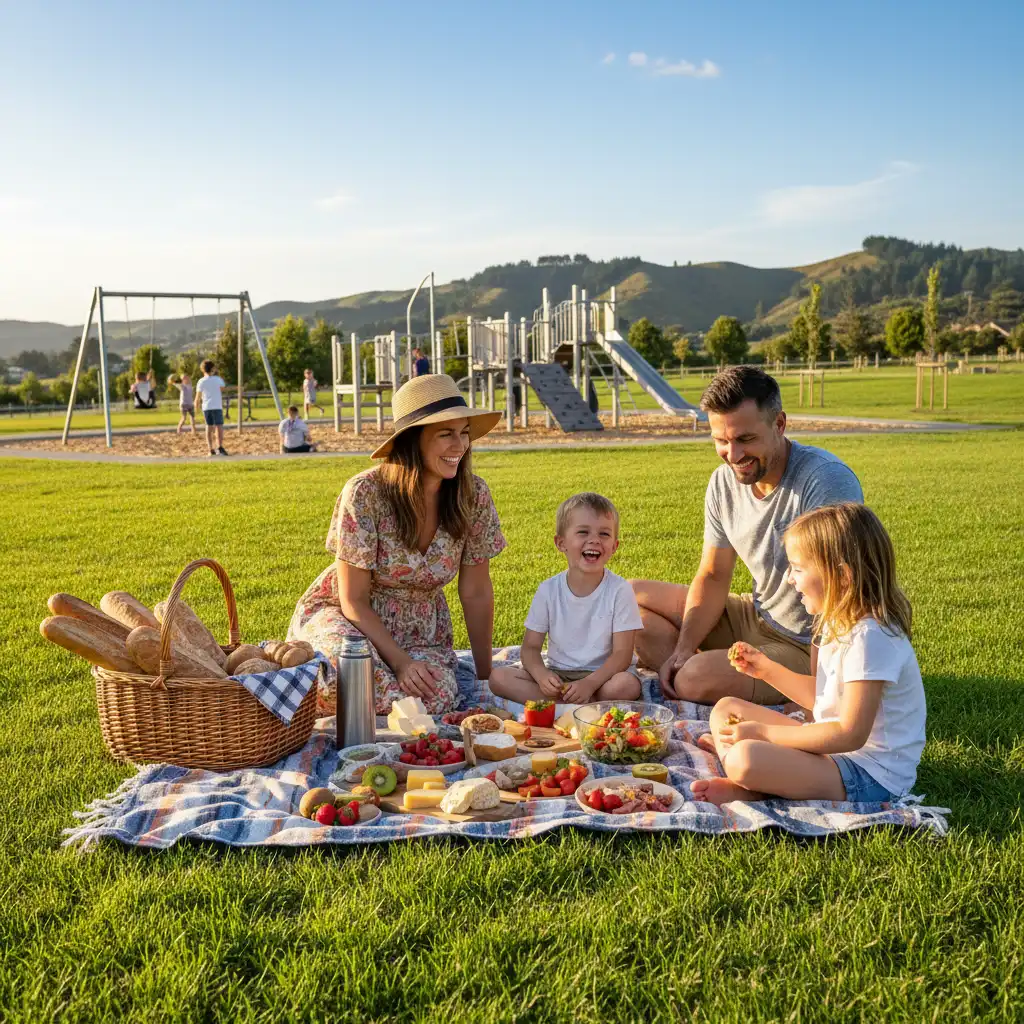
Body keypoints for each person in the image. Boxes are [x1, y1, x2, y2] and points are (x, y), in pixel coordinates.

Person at [632, 366, 863, 707]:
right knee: (625, 600)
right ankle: (694, 666)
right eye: (721, 441)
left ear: (779, 425)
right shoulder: (723, 483)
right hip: (753, 614)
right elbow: (713, 574)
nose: (733, 455)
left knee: (695, 678)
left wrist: (816, 696)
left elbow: (836, 597)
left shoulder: (826, 482)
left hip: (802, 643)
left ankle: (710, 674)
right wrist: (681, 650)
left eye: (745, 439)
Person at [289, 373, 506, 715]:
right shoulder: (364, 494)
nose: (460, 446)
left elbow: (476, 591)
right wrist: (401, 664)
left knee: (434, 697)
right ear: (411, 440)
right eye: (445, 434)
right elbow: (353, 599)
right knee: (349, 678)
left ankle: (374, 703)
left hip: (423, 632)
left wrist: (484, 675)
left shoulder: (473, 495)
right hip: (349, 618)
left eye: (464, 433)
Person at [690, 502, 925, 806]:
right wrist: (765, 669)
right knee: (726, 708)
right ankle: (755, 771)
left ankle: (751, 784)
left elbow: (849, 734)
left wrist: (763, 733)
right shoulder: (838, 622)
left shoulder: (871, 638)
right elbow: (824, 699)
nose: (790, 579)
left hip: (868, 774)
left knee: (745, 758)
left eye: (798, 569)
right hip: (833, 750)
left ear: (842, 577)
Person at [489, 492, 643, 705]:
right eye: (583, 532)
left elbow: (622, 655)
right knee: (499, 677)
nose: (594, 540)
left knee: (627, 685)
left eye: (604, 534)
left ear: (615, 546)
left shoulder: (620, 590)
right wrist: (542, 676)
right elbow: (530, 649)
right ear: (561, 543)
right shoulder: (548, 590)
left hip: (603, 678)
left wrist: (589, 684)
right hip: (559, 675)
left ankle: (566, 704)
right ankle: (579, 704)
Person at [195, 360, 228, 457]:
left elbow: (197, 397)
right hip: (217, 406)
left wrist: (196, 407)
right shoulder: (218, 379)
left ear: (202, 370)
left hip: (207, 407)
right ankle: (220, 447)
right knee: (219, 427)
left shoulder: (201, 381)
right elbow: (222, 389)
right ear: (213, 369)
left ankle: (210, 449)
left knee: (209, 427)